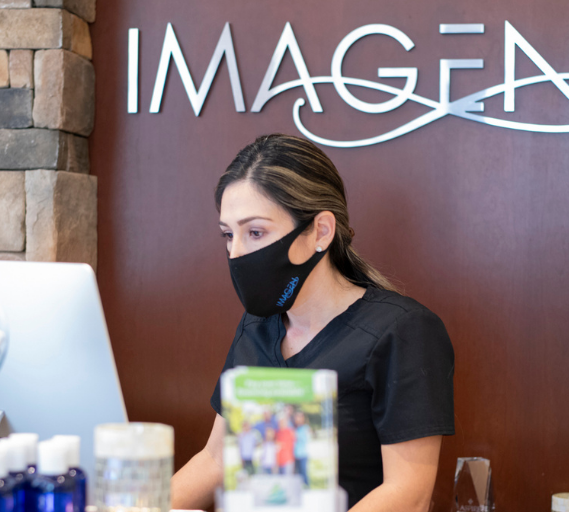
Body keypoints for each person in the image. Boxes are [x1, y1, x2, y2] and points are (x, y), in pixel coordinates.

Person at [170, 134, 455, 512]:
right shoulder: (257, 327)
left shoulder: (402, 331)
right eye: (228, 235)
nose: (236, 253)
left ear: (320, 231)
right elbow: (217, 459)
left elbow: (409, 493)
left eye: (255, 232)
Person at [293, 411, 311, 486]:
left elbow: (306, 440)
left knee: (304, 473)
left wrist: (296, 435)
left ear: (303, 418)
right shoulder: (294, 428)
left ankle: (307, 488)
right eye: (296, 417)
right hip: (295, 456)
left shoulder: (306, 428)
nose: (298, 419)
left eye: (300, 417)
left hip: (303, 455)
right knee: (297, 475)